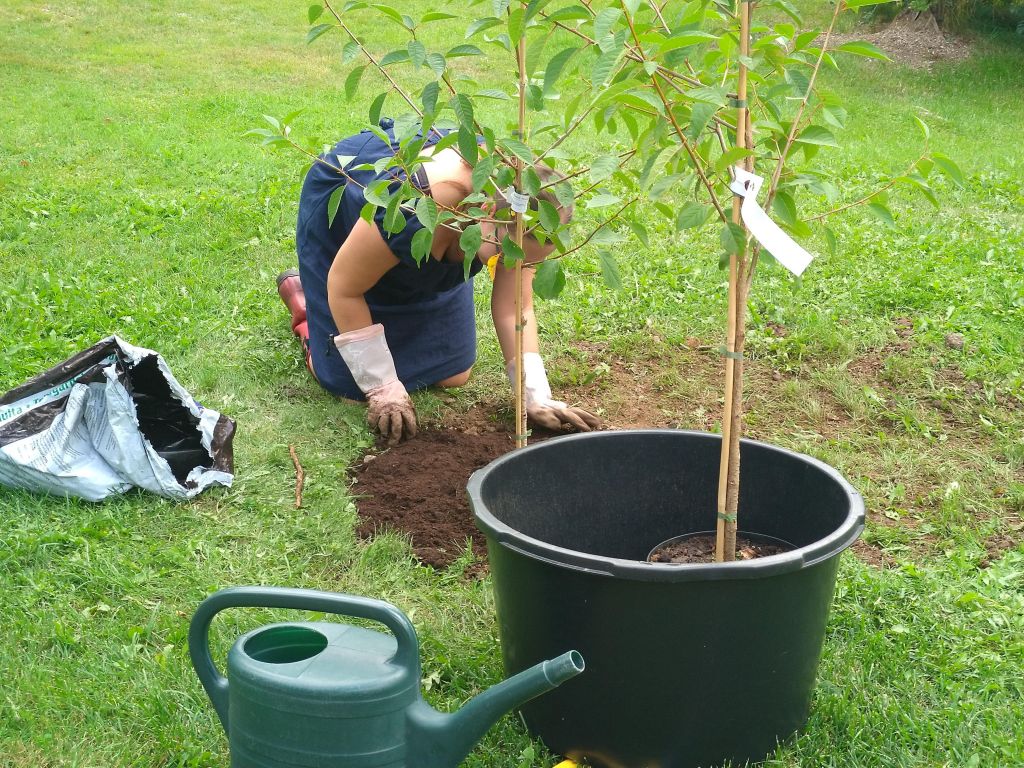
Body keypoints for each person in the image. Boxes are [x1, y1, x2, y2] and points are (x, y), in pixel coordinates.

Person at [277, 118, 600, 445]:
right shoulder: (416, 205)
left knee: (453, 374)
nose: (511, 265)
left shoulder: (533, 211)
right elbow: (344, 288)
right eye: (504, 253)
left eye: (525, 260)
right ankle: (308, 317)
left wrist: (535, 395)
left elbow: (515, 305)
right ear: (485, 211)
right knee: (351, 389)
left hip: (440, 239)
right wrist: (383, 387)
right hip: (354, 205)